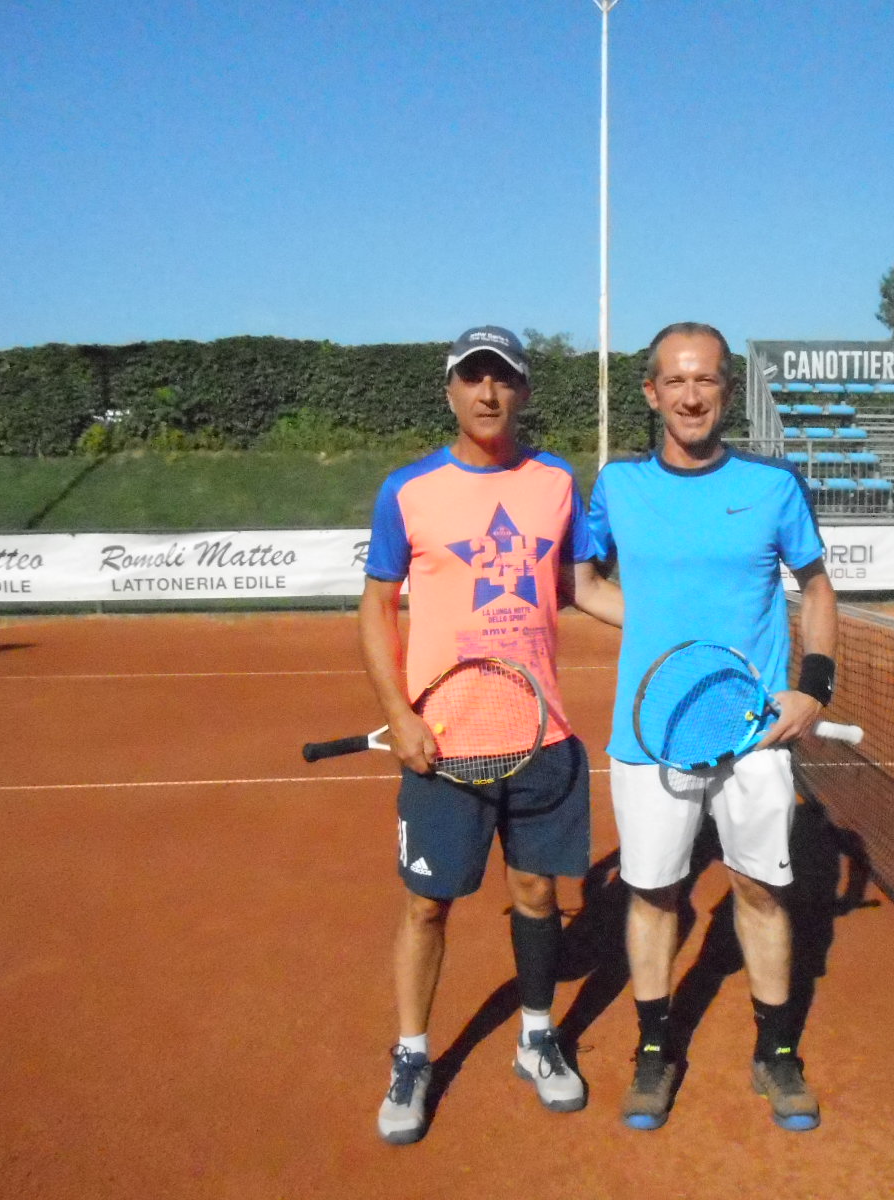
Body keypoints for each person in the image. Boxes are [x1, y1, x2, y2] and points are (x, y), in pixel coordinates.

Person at [359, 325, 622, 1146]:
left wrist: (677, 621)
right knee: (426, 904)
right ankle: (412, 1055)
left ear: (524, 391)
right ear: (449, 391)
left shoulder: (556, 481)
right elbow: (375, 606)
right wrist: (400, 714)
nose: (487, 392)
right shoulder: (407, 491)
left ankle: (537, 1039)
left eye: (503, 378)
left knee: (537, 894)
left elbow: (582, 586)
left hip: (542, 737)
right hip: (443, 743)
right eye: (472, 377)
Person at [587, 321, 840, 1132]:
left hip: (754, 733)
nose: (691, 396)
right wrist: (656, 632)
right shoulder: (618, 486)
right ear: (651, 392)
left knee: (760, 891)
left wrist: (814, 689)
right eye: (676, 380)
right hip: (650, 735)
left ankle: (777, 1052)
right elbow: (581, 582)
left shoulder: (773, 485)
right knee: (654, 892)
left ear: (727, 391)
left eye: (706, 381)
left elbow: (817, 586)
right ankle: (654, 1050)